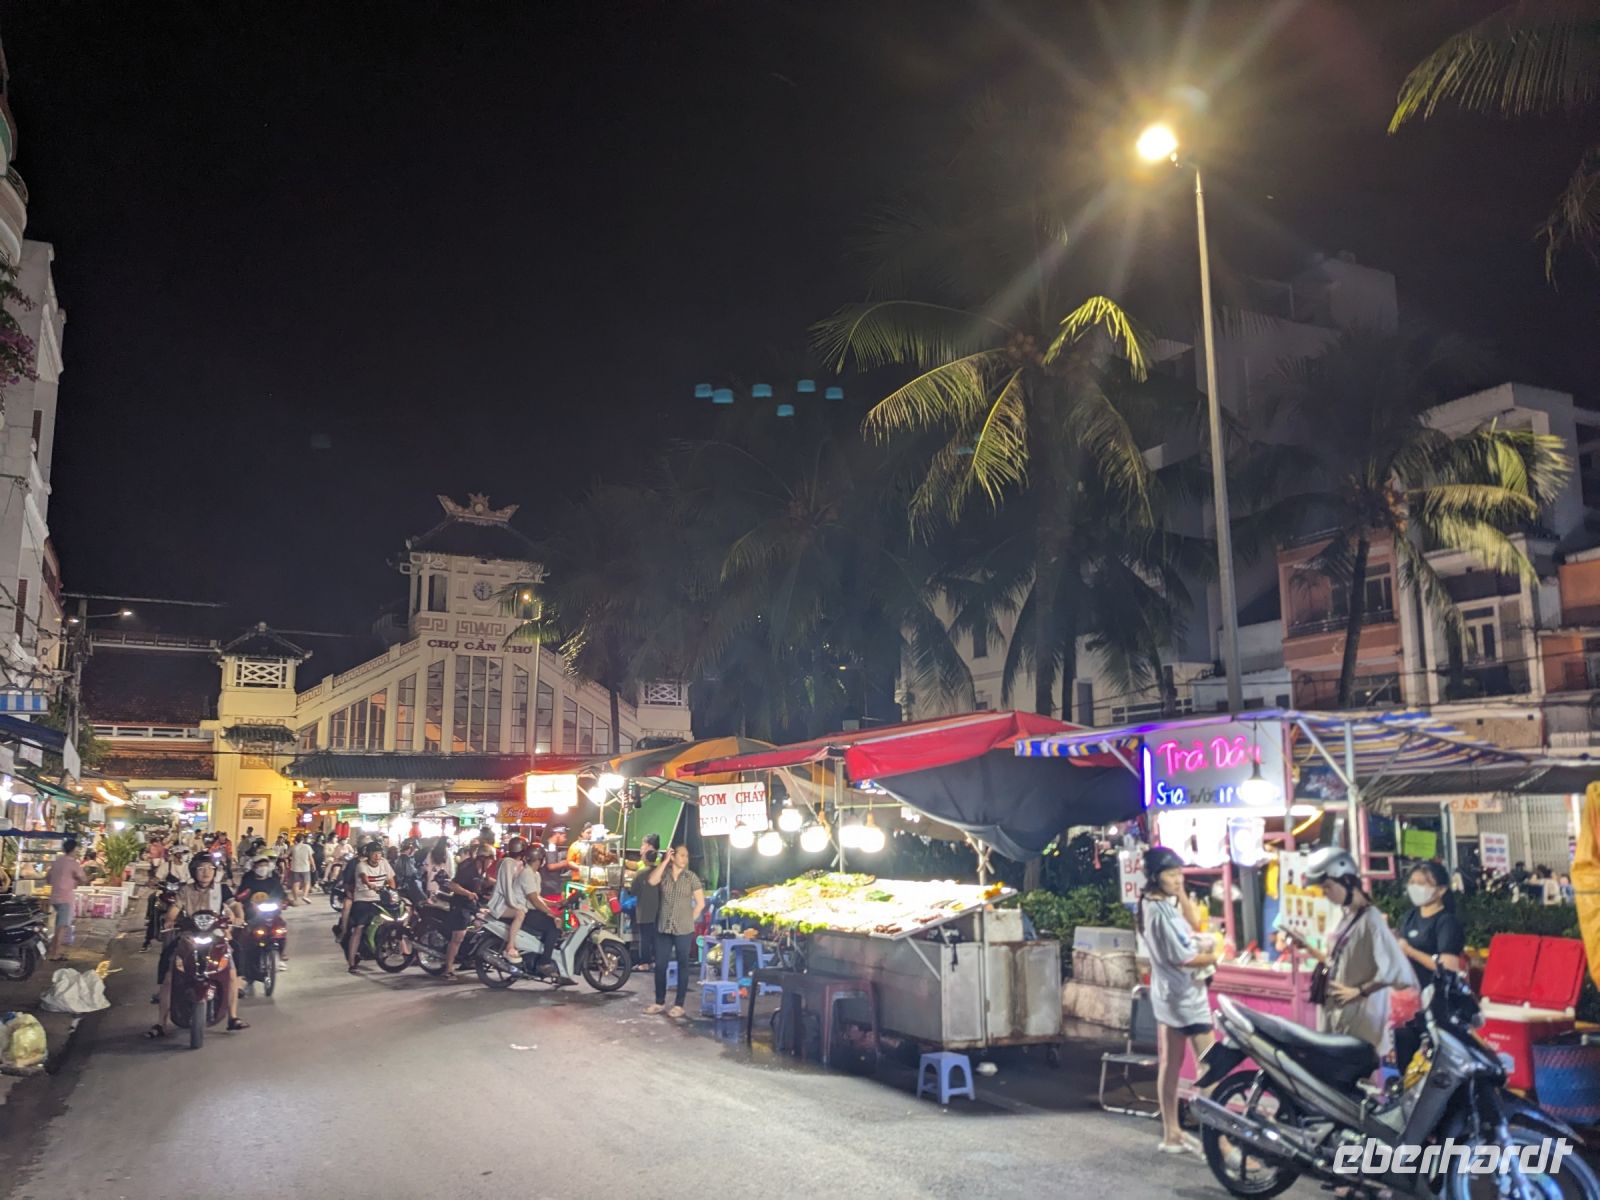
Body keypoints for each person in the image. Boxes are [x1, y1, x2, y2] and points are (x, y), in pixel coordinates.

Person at [1138, 846, 1220, 1155]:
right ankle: (1218, 1142)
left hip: (1171, 996)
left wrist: (1181, 890)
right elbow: (1183, 958)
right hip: (1184, 999)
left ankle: (1172, 1133)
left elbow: (1194, 922)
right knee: (1212, 1067)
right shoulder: (1158, 913)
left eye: (1180, 874)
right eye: (1171, 875)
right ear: (1155, 877)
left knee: (1171, 1065)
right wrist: (1215, 955)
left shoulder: (1156, 903)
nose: (1177, 879)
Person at [1298, 847, 1413, 1057]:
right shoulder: (1347, 917)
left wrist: (1359, 991)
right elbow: (1337, 961)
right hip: (1339, 1014)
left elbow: (1396, 970)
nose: (1325, 893)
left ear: (1347, 881)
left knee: (1358, 1071)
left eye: (1328, 887)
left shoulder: (1371, 919)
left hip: (1360, 1017)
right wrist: (1307, 947)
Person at [146, 854, 248, 1038]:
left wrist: (239, 917)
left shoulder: (222, 889)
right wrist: (170, 920)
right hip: (189, 936)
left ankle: (233, 1017)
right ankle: (161, 1023)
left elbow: (235, 905)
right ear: (194, 872)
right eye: (201, 869)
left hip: (216, 936)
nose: (206, 872)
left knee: (232, 972)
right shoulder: (185, 890)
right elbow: (175, 909)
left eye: (210, 868)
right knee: (169, 972)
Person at [1392, 861, 1465, 1073]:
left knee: (1430, 1067)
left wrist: (1410, 951)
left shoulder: (1446, 923)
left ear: (1441, 890)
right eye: (1412, 882)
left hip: (1435, 1006)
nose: (1415, 887)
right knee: (1406, 1066)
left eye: (1423, 883)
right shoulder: (1410, 917)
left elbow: (1448, 967)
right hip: (1408, 1007)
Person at [645, 842, 704, 1018]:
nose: (685, 859)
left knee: (682, 965)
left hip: (683, 929)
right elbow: (652, 881)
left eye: (687, 856)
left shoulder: (691, 877)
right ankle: (659, 1002)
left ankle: (679, 1004)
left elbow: (700, 904)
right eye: (681, 855)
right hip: (664, 926)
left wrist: (690, 919)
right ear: (673, 856)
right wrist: (664, 862)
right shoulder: (664, 875)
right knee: (660, 965)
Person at [488, 837, 563, 974]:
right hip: (520, 908)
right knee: (552, 927)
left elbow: (537, 897)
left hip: (524, 907)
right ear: (539, 859)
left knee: (552, 924)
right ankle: (544, 962)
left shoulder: (534, 874)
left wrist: (555, 904)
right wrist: (551, 913)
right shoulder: (524, 872)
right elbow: (533, 899)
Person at [443, 840, 497, 981]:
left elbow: (486, 880)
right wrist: (467, 893)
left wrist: (500, 884)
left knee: (481, 926)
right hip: (460, 904)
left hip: (472, 904)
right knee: (458, 936)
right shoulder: (468, 868)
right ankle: (448, 968)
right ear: (482, 858)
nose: (491, 862)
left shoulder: (481, 870)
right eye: (490, 859)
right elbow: (453, 885)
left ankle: (467, 959)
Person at [236, 855, 291, 987]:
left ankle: (280, 954)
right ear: (254, 867)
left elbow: (282, 895)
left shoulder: (273, 882)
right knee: (246, 936)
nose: (262, 868)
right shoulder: (248, 881)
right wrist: (244, 899)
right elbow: (240, 896)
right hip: (253, 916)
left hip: (272, 914)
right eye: (259, 865)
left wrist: (285, 902)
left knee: (281, 929)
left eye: (265, 865)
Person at [345, 841, 395, 972]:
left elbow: (391, 879)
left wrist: (392, 891)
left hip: (380, 899)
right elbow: (364, 878)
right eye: (374, 853)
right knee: (359, 928)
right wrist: (371, 885)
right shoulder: (361, 865)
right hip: (363, 899)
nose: (377, 856)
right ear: (368, 854)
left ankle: (406, 954)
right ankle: (351, 962)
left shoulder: (384, 863)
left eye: (379, 853)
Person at [46, 838, 86, 962]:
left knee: (59, 925)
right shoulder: (73, 863)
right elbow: (83, 879)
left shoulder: (57, 861)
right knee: (61, 927)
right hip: (65, 898)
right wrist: (86, 878)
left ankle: (56, 951)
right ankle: (55, 954)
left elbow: (48, 878)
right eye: (77, 849)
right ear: (74, 849)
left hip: (54, 897)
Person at [630, 834, 662, 968]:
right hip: (657, 908)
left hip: (644, 909)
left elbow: (633, 891)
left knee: (644, 937)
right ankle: (655, 961)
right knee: (655, 936)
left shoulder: (641, 873)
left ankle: (644, 963)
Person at [288, 834, 315, 906]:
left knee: (295, 883)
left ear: (296, 840)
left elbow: (286, 855)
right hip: (305, 868)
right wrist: (313, 865)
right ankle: (305, 896)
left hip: (295, 868)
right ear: (303, 840)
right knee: (307, 882)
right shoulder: (307, 847)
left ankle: (295, 898)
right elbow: (310, 857)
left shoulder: (293, 847)